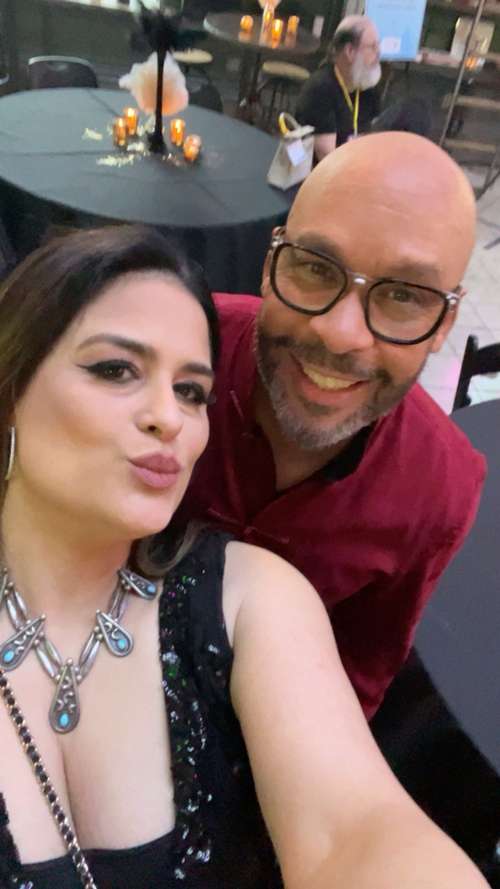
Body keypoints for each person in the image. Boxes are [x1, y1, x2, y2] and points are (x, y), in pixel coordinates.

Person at [0, 225, 488, 889]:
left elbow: (354, 827)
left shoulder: (249, 595)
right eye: (116, 369)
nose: (169, 417)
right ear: (12, 387)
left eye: (191, 391)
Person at [175, 132, 486, 720]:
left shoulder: (441, 490)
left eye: (403, 295)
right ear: (270, 264)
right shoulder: (177, 347)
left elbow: (355, 677)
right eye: (316, 267)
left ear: (445, 323)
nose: (341, 334)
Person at [296, 15, 430, 161]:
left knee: (415, 110)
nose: (378, 53)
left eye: (378, 46)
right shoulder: (320, 89)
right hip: (331, 169)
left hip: (359, 158)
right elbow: (327, 159)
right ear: (350, 51)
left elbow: (369, 133)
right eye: (373, 47)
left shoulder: (365, 87)